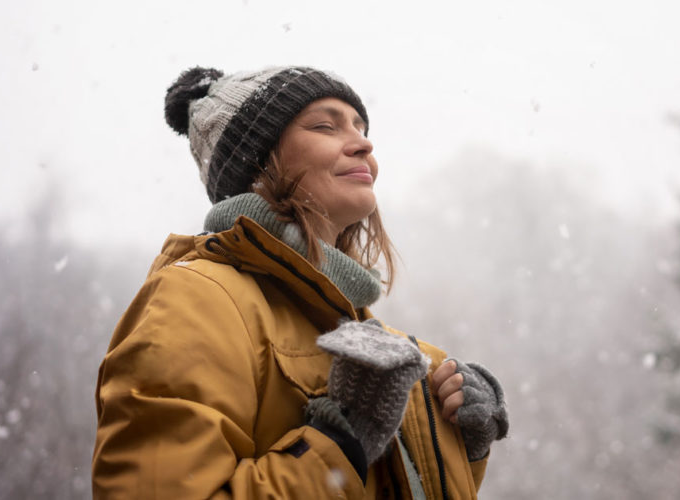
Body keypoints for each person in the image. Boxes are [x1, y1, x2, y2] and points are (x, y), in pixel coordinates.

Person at [91, 66, 509, 499]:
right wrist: (340, 440)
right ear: (257, 162)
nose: (364, 144)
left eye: (361, 128)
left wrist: (457, 440)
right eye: (326, 126)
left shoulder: (377, 339)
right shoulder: (196, 300)